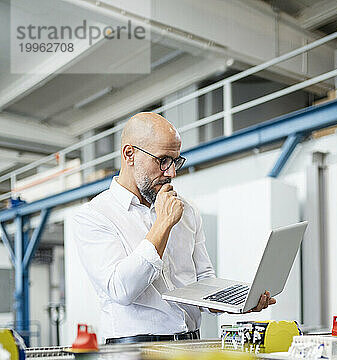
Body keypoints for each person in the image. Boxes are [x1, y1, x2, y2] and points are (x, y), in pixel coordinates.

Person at [73, 112, 276, 344]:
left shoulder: (187, 210)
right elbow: (121, 290)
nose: (171, 173)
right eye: (162, 160)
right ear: (130, 154)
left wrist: (232, 302)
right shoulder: (95, 216)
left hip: (192, 344)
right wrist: (163, 223)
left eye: (175, 161)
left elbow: (203, 278)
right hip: (134, 353)